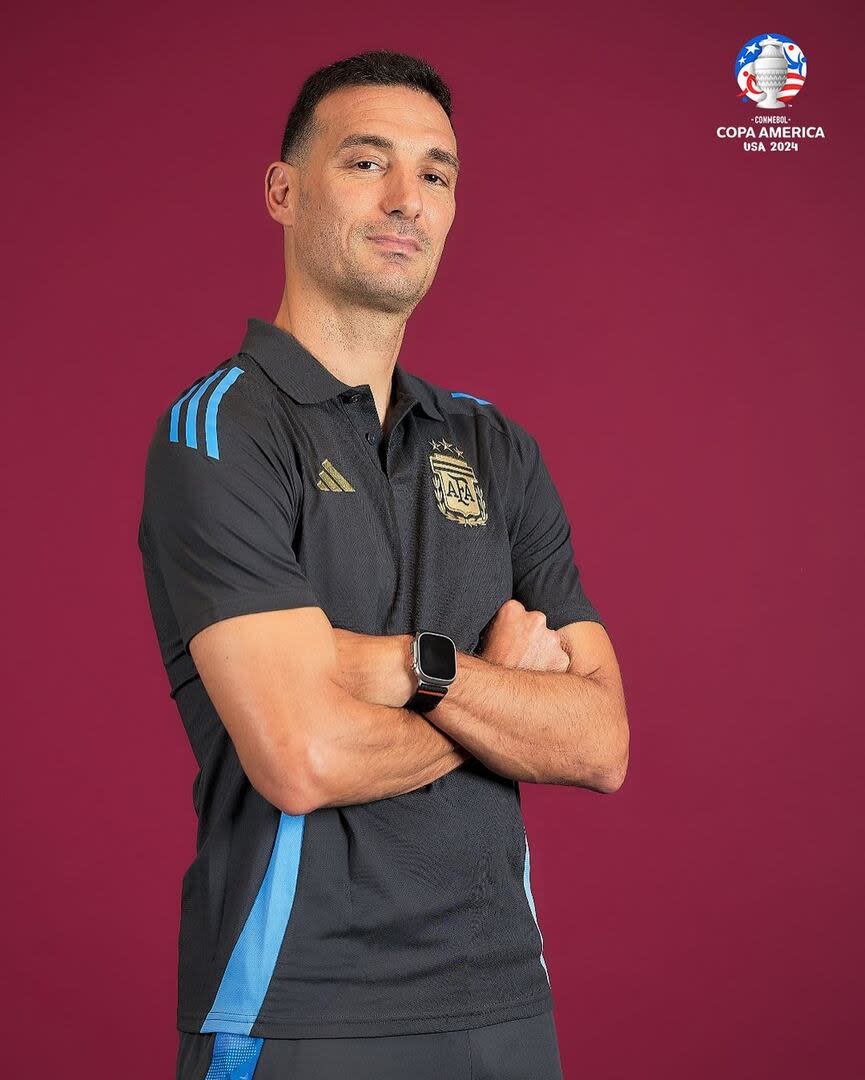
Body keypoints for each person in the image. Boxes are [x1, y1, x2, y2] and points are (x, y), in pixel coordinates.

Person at [137, 48, 629, 1080]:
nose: (406, 198)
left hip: (505, 998)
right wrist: (491, 697)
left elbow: (600, 743)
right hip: (302, 1008)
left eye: (435, 173)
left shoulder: (498, 447)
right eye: (366, 162)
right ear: (284, 190)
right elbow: (302, 758)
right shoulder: (219, 431)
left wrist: (408, 665)